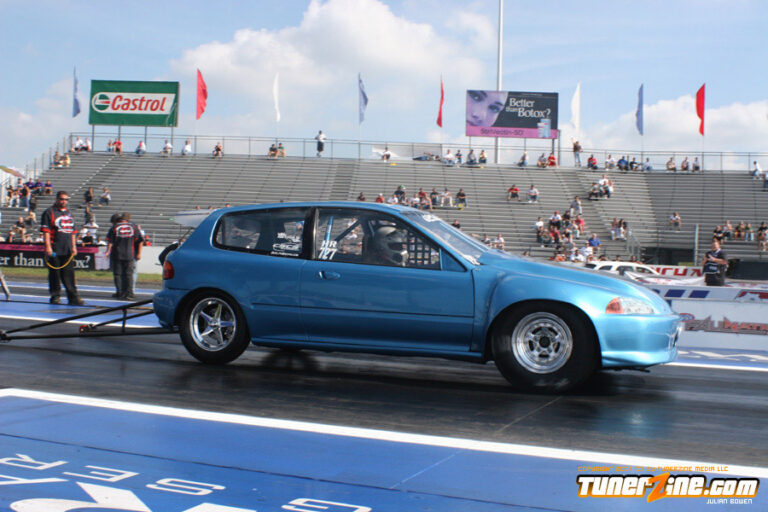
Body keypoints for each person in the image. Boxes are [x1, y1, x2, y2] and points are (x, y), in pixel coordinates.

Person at [41, 191, 84, 305]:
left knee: (69, 275)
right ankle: (55, 296)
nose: (63, 201)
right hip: (55, 248)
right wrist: (48, 247)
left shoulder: (69, 214)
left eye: (66, 199)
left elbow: (73, 232)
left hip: (67, 249)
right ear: (57, 199)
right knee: (55, 274)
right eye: (61, 199)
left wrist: (74, 247)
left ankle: (73, 297)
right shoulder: (49, 212)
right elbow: (46, 231)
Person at [106, 212, 144, 299]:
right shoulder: (133, 227)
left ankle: (120, 292)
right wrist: (139, 253)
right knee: (129, 274)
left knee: (118, 274)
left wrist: (107, 251)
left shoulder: (114, 227)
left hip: (117, 253)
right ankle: (129, 293)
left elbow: (110, 241)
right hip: (130, 253)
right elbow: (140, 240)